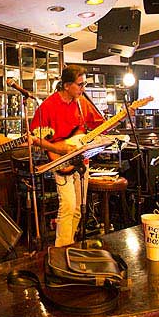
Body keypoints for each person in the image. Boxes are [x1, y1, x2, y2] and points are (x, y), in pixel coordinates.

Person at [30, 65, 105, 247]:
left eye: (83, 84)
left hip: (82, 160)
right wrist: (58, 149)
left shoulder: (82, 103)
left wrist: (123, 116)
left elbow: (100, 125)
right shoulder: (48, 105)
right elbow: (33, 137)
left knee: (80, 208)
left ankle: (70, 246)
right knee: (68, 206)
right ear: (66, 85)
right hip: (60, 161)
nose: (82, 88)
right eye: (79, 84)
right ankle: (60, 250)